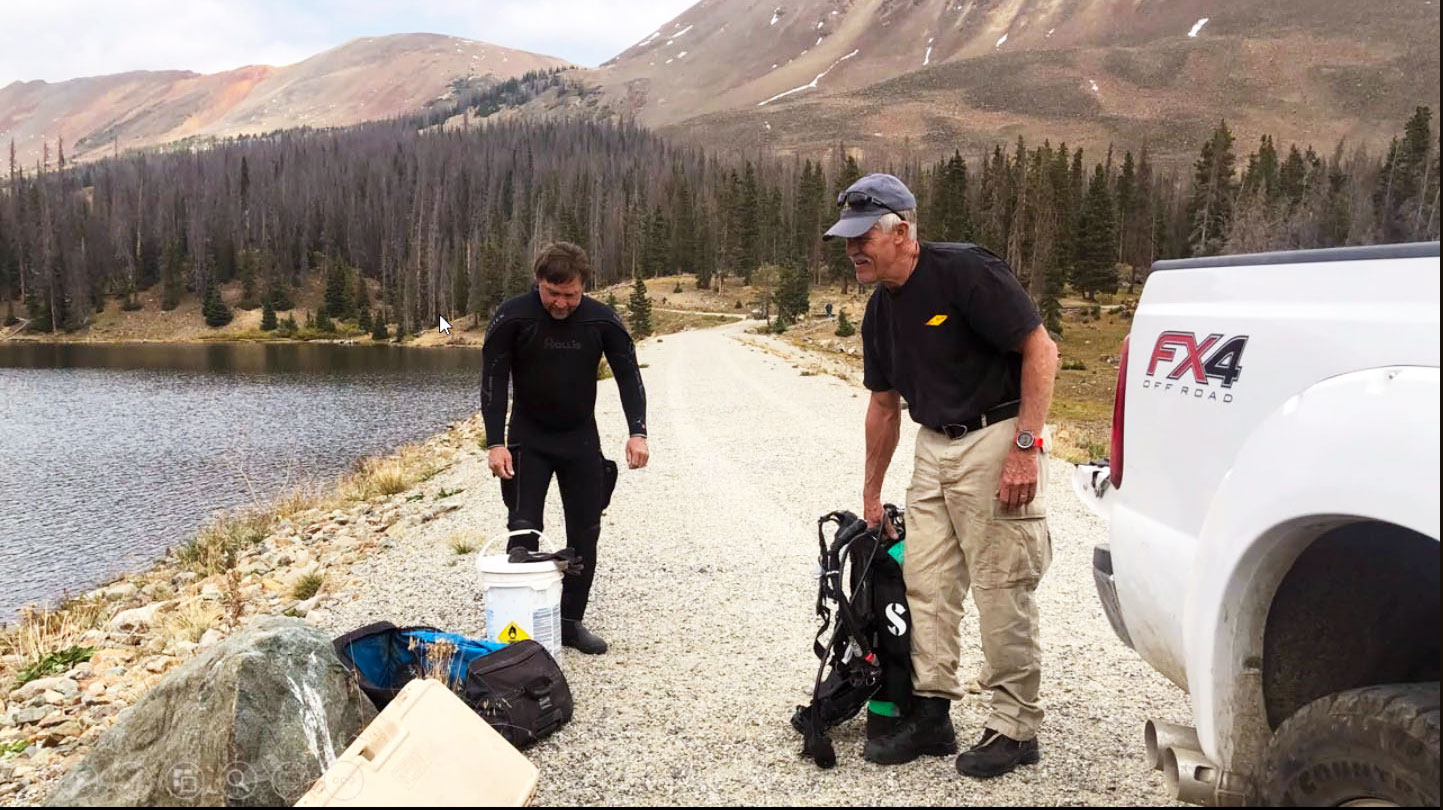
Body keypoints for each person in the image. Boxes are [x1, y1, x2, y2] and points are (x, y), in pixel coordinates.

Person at [823, 173, 1059, 778]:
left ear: (902, 232)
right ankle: (932, 712)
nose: (852, 251)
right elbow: (883, 405)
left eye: (862, 239)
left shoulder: (966, 273)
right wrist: (872, 492)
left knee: (1002, 584)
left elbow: (1041, 350)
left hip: (996, 436)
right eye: (846, 240)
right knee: (924, 583)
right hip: (933, 445)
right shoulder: (880, 312)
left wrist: (1026, 447)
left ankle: (1014, 724)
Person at [481, 242, 650, 655]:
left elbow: (629, 375)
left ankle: (571, 622)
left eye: (570, 295)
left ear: (583, 287)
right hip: (528, 438)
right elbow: (493, 379)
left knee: (585, 534)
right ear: (538, 283)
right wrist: (495, 443)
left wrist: (638, 431)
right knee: (523, 533)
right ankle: (518, 627)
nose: (560, 303)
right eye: (552, 293)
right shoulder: (514, 315)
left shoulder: (600, 319)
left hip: (579, 439)